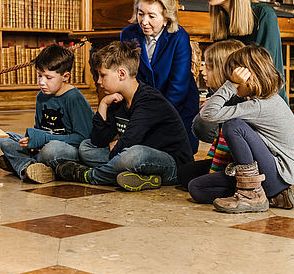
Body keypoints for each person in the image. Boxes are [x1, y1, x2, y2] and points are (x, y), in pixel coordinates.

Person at [55, 41, 194, 191]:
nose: (99, 81)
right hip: (131, 156)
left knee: (134, 154)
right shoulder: (117, 99)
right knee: (86, 147)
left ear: (122, 74)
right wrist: (103, 105)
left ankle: (90, 175)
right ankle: (143, 178)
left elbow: (129, 141)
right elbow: (98, 140)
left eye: (102, 75)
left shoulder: (149, 100)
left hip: (172, 165)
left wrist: (117, 150)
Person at [188, 45, 294, 213]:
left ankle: (252, 195)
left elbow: (208, 114)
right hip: (267, 176)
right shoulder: (260, 101)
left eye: (233, 78)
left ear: (248, 77)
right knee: (196, 188)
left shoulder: (261, 106)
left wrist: (230, 85)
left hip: (275, 176)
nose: (232, 82)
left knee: (233, 125)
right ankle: (272, 196)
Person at [194, 0, 288, 143]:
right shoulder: (222, 21)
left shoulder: (263, 15)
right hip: (235, 91)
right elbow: (221, 69)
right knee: (200, 123)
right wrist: (214, 98)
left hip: (261, 97)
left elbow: (267, 72)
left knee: (207, 123)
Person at [0, 44, 93, 184]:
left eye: (48, 77)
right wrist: (33, 141)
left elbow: (83, 139)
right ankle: (30, 168)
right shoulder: (41, 96)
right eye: (39, 76)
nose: (42, 82)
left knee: (51, 150)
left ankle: (21, 164)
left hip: (66, 149)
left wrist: (43, 140)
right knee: (5, 139)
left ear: (65, 76)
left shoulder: (74, 98)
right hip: (42, 146)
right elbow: (39, 129)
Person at [120, 0, 200, 153]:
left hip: (176, 105)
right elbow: (126, 74)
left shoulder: (179, 36)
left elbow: (179, 85)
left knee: (174, 151)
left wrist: (155, 115)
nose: (144, 21)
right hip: (141, 104)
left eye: (151, 16)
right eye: (141, 13)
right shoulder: (128, 34)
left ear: (166, 19)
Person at [177, 39, 245, 190]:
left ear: (222, 70)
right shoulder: (220, 95)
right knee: (185, 173)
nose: (202, 71)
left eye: (208, 67)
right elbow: (217, 146)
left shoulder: (238, 101)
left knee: (195, 183)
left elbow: (225, 146)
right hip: (225, 160)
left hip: (239, 165)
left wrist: (211, 176)